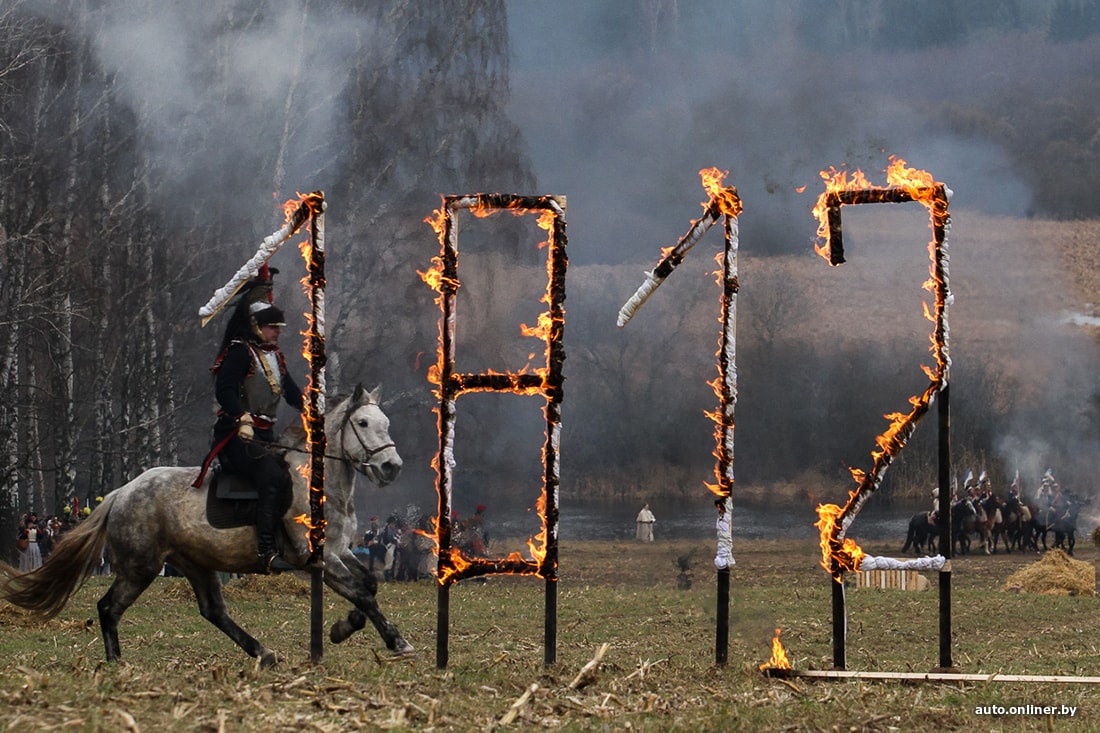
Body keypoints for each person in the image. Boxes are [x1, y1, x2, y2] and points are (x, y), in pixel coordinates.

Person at [205, 268, 303, 574]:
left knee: (294, 474)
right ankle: (265, 551)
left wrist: (312, 410)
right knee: (272, 476)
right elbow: (225, 390)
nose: (277, 332)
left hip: (265, 435)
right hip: (238, 436)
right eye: (272, 327)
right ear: (256, 326)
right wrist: (241, 416)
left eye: (278, 327)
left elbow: (289, 390)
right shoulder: (239, 352)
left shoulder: (274, 356)